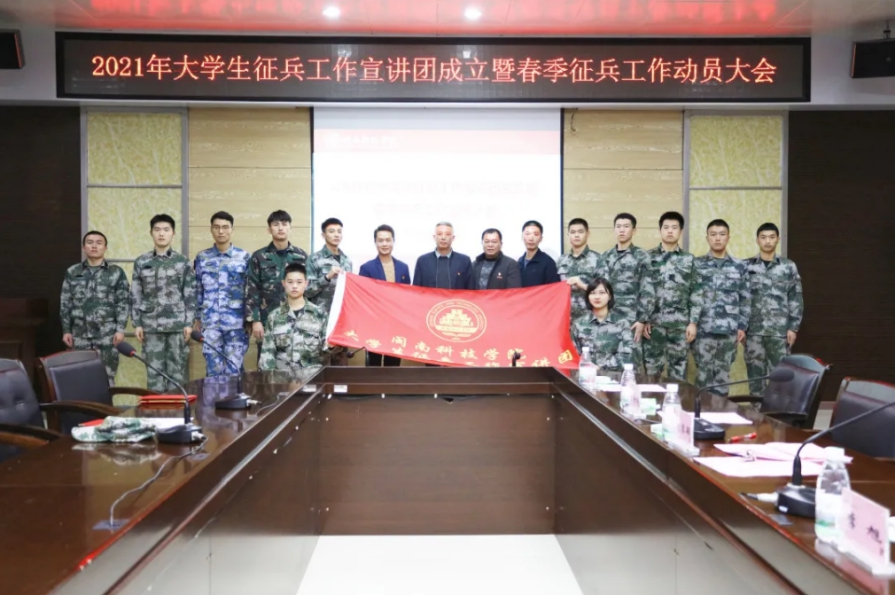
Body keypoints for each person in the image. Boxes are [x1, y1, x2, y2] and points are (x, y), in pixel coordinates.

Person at [131, 215, 197, 392]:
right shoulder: (142, 262)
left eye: (166, 230)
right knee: (154, 373)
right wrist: (137, 323)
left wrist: (189, 323)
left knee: (177, 373)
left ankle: (176, 408)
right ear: (151, 233)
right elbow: (136, 294)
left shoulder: (182, 262)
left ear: (173, 233)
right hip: (151, 326)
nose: (161, 234)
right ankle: (156, 408)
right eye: (157, 230)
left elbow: (190, 294)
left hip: (177, 326)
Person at [60, 231, 129, 385]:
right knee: (79, 378)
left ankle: (105, 402)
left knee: (107, 378)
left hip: (107, 335)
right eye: (90, 242)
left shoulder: (116, 272)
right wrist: (66, 330)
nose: (94, 246)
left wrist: (120, 329)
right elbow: (65, 303)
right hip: (80, 335)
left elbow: (123, 302)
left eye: (99, 243)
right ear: (83, 247)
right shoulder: (73, 272)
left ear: (105, 248)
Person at [744, 223, 804, 394]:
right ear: (757, 240)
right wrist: (741, 328)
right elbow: (740, 299)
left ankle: (777, 410)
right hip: (753, 332)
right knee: (755, 378)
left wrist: (793, 327)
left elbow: (795, 297)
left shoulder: (788, 266)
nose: (767, 241)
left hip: (779, 332)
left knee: (781, 377)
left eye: (771, 237)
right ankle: (757, 410)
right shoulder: (746, 266)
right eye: (763, 237)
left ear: (778, 239)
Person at [692, 219, 751, 396]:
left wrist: (742, 326)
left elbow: (745, 298)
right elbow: (691, 296)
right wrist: (692, 323)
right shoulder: (697, 264)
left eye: (722, 234)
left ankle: (720, 411)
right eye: (713, 234)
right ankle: (702, 411)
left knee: (723, 378)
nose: (717, 238)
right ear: (707, 238)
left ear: (728, 237)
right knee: (703, 377)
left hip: (729, 331)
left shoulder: (740, 266)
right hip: (703, 330)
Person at [644, 212, 702, 381]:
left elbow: (696, 292)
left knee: (678, 375)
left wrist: (693, 322)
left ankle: (676, 400)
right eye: (666, 227)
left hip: (680, 326)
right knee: (651, 374)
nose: (670, 231)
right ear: (660, 230)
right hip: (653, 326)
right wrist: (643, 318)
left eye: (674, 228)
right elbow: (643, 291)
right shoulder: (648, 258)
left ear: (681, 231)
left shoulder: (689, 260)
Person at [194, 211, 250, 377]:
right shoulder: (202, 257)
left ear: (232, 230)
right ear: (211, 229)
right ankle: (213, 396)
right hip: (210, 323)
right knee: (214, 372)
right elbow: (198, 289)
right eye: (216, 227)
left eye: (225, 227)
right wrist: (197, 317)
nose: (221, 231)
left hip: (236, 324)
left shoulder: (244, 257)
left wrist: (250, 318)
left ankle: (235, 395)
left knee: (234, 371)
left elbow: (250, 290)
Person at [597, 213, 656, 369]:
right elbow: (598, 289)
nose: (621, 230)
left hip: (632, 320)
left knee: (631, 364)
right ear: (614, 230)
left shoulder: (641, 256)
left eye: (626, 226)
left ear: (634, 230)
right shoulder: (605, 256)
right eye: (618, 226)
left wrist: (642, 319)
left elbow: (647, 290)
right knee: (608, 363)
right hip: (608, 319)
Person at [245, 210, 308, 349]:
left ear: (290, 228)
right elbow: (252, 289)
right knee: (266, 359)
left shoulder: (301, 256)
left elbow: (307, 289)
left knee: (295, 357)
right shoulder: (259, 256)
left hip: (296, 319)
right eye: (276, 224)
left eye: (284, 224)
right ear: (269, 229)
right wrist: (255, 320)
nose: (280, 228)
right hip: (268, 320)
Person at [259, 263, 328, 371]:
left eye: (299, 282)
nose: (294, 286)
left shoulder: (319, 314)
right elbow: (267, 353)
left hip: (311, 377)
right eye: (290, 282)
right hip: (282, 377)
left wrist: (332, 347)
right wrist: (269, 379)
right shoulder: (274, 316)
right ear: (284, 283)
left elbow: (327, 349)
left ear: (306, 283)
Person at [358, 224, 410, 367]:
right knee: (373, 365)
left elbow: (407, 297)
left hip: (396, 324)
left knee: (393, 366)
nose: (384, 244)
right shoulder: (366, 268)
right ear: (375, 242)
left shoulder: (403, 267)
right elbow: (363, 297)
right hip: (374, 324)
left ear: (393, 241)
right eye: (380, 240)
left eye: (388, 240)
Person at [306, 217, 353, 365]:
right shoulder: (314, 259)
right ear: (323, 235)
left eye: (339, 231)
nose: (336, 235)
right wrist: (327, 277)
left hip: (340, 321)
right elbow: (307, 291)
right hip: (319, 321)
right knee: (320, 366)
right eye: (331, 231)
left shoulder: (347, 261)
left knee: (341, 367)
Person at [571, 278, 634, 372]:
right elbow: (573, 354)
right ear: (588, 297)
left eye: (602, 293)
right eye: (593, 293)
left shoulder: (622, 323)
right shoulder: (579, 324)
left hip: (613, 376)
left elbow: (626, 355)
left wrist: (600, 367)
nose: (597, 297)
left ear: (610, 296)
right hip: (585, 375)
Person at [557, 218, 602, 324]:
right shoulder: (561, 260)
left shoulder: (598, 259)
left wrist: (582, 285)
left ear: (587, 234)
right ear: (568, 235)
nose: (576, 235)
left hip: (590, 318)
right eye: (573, 232)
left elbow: (604, 291)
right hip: (565, 318)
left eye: (580, 232)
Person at [412, 221, 472, 289]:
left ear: (453, 238)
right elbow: (416, 290)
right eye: (439, 234)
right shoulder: (423, 261)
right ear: (434, 237)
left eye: (447, 234)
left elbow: (470, 291)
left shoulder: (464, 261)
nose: (443, 237)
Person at [518, 220, 559, 287]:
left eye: (536, 234)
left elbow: (553, 288)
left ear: (541, 238)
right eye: (527, 234)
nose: (531, 238)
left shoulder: (548, 262)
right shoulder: (519, 262)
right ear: (522, 237)